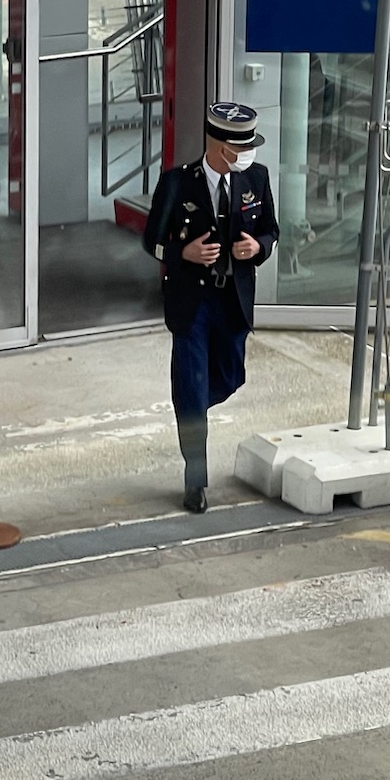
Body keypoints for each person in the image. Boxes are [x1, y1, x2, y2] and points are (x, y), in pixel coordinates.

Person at [143, 102, 280, 513]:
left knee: (228, 376)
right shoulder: (177, 183)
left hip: (231, 300)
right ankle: (195, 482)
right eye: (243, 146)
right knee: (191, 389)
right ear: (221, 148)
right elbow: (151, 241)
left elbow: (271, 230)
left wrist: (257, 248)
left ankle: (191, 401)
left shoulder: (256, 177)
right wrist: (184, 252)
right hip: (192, 303)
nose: (250, 153)